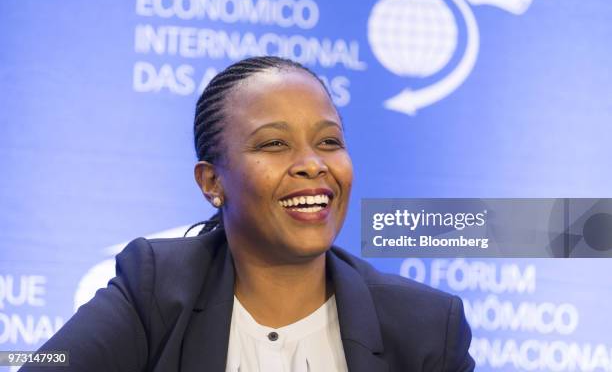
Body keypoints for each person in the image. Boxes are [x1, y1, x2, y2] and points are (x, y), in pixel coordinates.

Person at [21, 56, 475, 371]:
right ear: (211, 182)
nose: (313, 164)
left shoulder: (426, 326)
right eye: (274, 144)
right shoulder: (156, 288)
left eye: (329, 142)